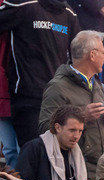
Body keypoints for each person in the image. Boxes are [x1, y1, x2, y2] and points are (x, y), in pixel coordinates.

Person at [37, 31, 104, 179]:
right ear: (92, 55)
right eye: (103, 53)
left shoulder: (97, 84)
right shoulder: (57, 87)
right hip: (78, 171)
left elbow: (103, 128)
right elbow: (44, 128)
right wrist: (82, 117)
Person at [0, 0, 80, 147]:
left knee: (39, 154)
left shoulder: (68, 12)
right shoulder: (24, 5)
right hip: (43, 96)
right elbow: (80, 54)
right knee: (40, 154)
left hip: (39, 95)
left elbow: (79, 53)